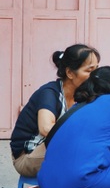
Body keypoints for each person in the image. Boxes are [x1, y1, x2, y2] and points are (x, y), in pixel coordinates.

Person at [10, 44, 100, 177]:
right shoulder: (50, 92)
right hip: (28, 156)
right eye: (89, 71)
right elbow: (46, 128)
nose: (95, 76)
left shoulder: (84, 95)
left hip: (56, 150)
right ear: (69, 73)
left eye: (97, 69)